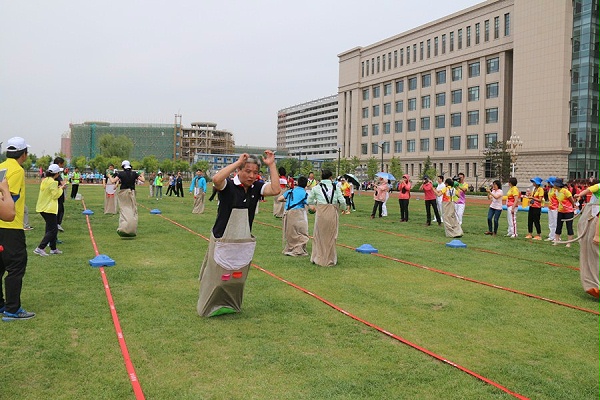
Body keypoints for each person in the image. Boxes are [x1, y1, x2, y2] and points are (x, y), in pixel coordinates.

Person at [197, 151, 280, 317]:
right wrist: (237, 162)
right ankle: (209, 306)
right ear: (239, 171)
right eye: (247, 171)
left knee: (237, 277)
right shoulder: (229, 185)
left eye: (255, 173)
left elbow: (276, 189)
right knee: (218, 277)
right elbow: (216, 180)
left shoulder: (257, 187)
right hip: (222, 237)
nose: (251, 176)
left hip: (242, 239)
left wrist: (271, 164)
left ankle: (230, 304)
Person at [0, 137, 35, 321]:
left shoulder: (2, 166)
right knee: (16, 266)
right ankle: (13, 309)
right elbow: (9, 197)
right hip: (10, 227)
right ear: (24, 154)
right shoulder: (17, 170)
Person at [307, 169, 345, 266]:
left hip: (321, 213)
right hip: (332, 211)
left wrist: (314, 205)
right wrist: (343, 209)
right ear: (331, 177)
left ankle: (318, 257)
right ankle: (330, 258)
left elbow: (309, 200)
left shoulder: (316, 188)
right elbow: (342, 201)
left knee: (319, 235)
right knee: (332, 236)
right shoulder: (335, 187)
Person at [33, 164, 66, 256]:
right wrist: (61, 188)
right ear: (56, 173)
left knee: (50, 228)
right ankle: (40, 248)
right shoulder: (53, 182)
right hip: (49, 208)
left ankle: (53, 248)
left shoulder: (45, 180)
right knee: (53, 230)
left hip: (42, 207)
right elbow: (55, 195)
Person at [110, 160, 145, 237]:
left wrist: (109, 175)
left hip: (123, 193)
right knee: (132, 210)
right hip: (132, 193)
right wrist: (142, 174)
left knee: (124, 210)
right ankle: (132, 229)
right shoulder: (134, 173)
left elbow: (113, 181)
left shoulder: (121, 174)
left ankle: (124, 228)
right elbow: (143, 180)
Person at [278, 176, 309, 256]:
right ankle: (299, 249)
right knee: (301, 231)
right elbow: (309, 204)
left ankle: (290, 247)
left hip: (288, 212)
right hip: (299, 213)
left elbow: (280, 199)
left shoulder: (290, 191)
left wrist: (287, 200)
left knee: (290, 232)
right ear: (306, 184)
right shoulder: (305, 193)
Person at [553, 178, 576, 247]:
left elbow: (572, 200)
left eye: (555, 184)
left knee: (569, 226)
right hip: (560, 211)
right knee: (558, 226)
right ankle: (556, 240)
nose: (553, 185)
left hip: (568, 211)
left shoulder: (566, 191)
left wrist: (573, 208)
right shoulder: (556, 191)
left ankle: (569, 242)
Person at [54, 157, 67, 232]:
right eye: (62, 165)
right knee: (59, 210)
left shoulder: (56, 174)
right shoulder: (56, 175)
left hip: (58, 194)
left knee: (60, 209)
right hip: (57, 195)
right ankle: (57, 224)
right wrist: (63, 184)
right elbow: (63, 184)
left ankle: (57, 224)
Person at [545, 176, 558, 241]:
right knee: (551, 223)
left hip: (556, 208)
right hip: (550, 207)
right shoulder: (550, 189)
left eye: (548, 182)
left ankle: (557, 237)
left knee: (556, 223)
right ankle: (551, 236)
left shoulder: (556, 190)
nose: (547, 183)